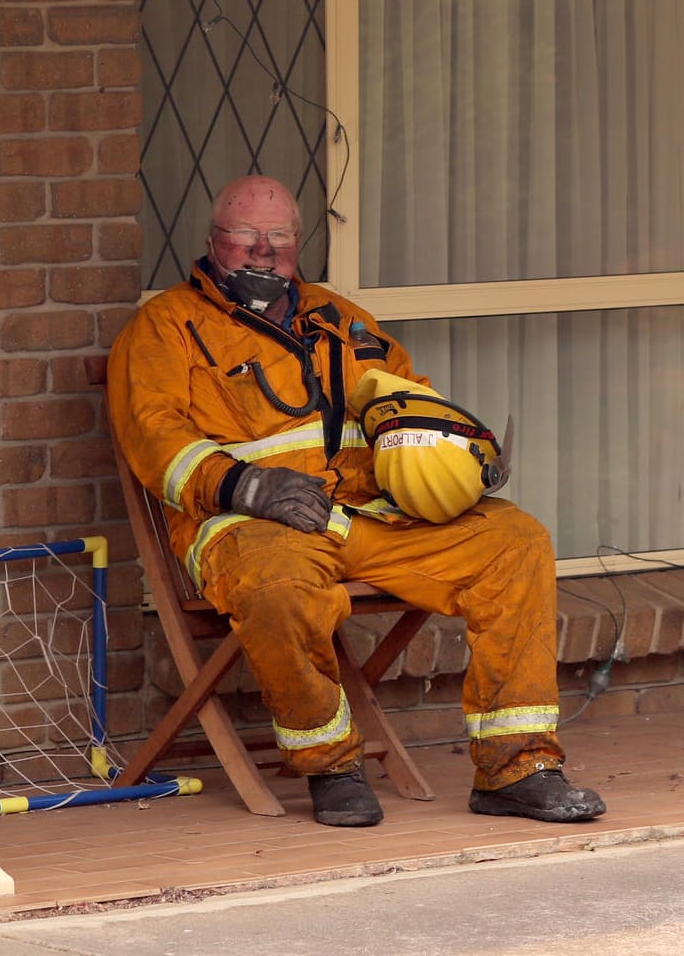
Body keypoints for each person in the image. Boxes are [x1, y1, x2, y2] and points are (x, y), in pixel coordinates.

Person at [108, 175, 606, 827]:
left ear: (298, 241)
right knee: (279, 592)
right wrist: (251, 487)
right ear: (212, 241)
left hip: (369, 517)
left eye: (278, 235)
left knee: (515, 543)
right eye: (244, 235)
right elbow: (156, 439)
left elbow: (409, 409)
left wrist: (459, 459)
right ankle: (332, 767)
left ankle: (517, 770)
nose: (262, 250)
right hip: (250, 527)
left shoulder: (342, 320)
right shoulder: (164, 328)